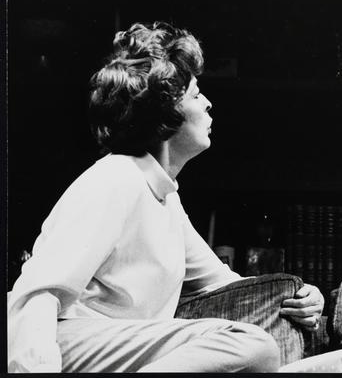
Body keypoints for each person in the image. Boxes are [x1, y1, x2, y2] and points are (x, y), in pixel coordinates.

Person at [7, 22, 324, 373]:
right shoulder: (116, 178)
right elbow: (37, 294)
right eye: (195, 95)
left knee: (275, 350)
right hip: (61, 344)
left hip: (121, 350)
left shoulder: (165, 198)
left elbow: (228, 286)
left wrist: (300, 296)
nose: (208, 103)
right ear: (167, 110)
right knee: (251, 345)